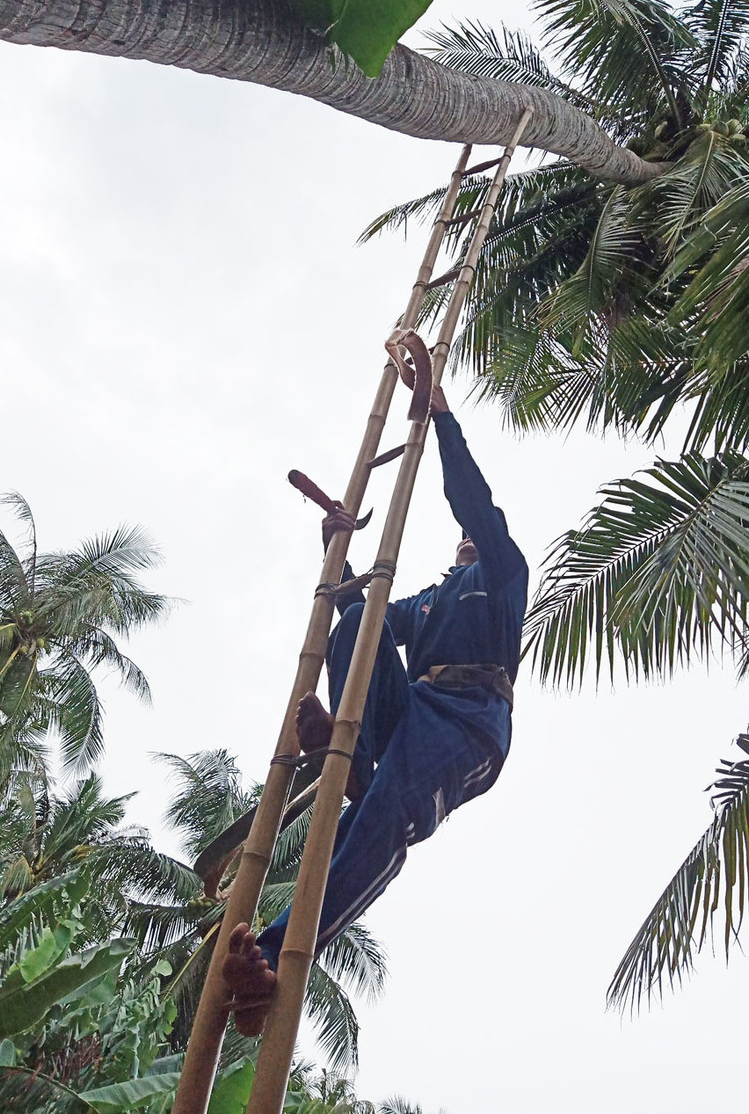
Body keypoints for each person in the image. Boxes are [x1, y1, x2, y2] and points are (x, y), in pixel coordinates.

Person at [223, 385, 528, 1035]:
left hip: (468, 724)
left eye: (475, 532)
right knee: (363, 616)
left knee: (387, 814)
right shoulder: (432, 600)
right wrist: (334, 550)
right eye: (462, 537)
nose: (467, 538)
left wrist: (441, 418)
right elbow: (360, 617)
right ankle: (356, 762)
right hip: (413, 707)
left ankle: (270, 960)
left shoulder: (504, 576)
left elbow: (472, 499)